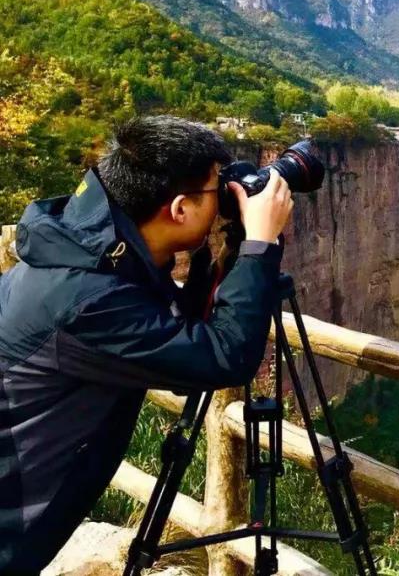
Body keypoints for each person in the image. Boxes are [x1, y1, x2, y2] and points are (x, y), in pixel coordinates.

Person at [0, 115, 295, 575]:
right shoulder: (87, 299)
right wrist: (260, 244)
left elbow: (173, 325)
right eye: (218, 191)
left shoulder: (86, 249)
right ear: (179, 209)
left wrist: (225, 250)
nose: (224, 202)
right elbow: (223, 356)